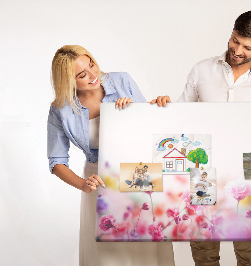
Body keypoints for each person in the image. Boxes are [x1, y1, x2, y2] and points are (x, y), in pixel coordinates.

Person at [154, 9, 251, 266]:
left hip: (246, 174)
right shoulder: (201, 70)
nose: (238, 50)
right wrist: (162, 105)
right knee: (203, 249)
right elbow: (180, 118)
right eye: (235, 40)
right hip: (203, 171)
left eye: (247, 47)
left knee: (250, 253)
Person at [47, 45, 174, 266]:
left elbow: (151, 130)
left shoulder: (121, 81)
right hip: (98, 180)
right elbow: (57, 161)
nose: (93, 75)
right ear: (67, 81)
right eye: (82, 74)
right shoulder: (61, 109)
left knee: (146, 244)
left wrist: (144, 108)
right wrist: (83, 184)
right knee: (108, 252)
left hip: (139, 171)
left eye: (92, 65)